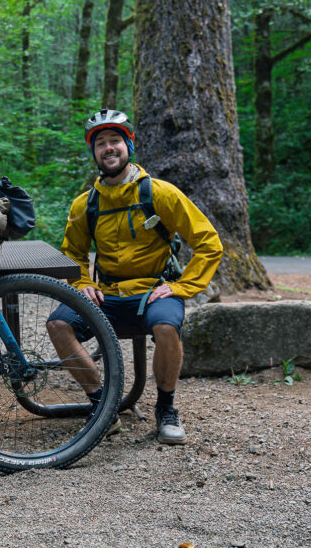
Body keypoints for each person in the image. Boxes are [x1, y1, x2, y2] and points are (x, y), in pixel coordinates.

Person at [47, 109, 223, 445]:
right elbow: (73, 253)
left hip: (153, 290)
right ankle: (102, 405)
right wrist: (83, 282)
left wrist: (182, 286)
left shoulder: (160, 193)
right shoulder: (85, 204)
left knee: (167, 327)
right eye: (101, 143)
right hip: (107, 293)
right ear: (94, 152)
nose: (109, 148)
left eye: (115, 140)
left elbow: (208, 242)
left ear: (129, 145)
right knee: (58, 325)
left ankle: (166, 408)